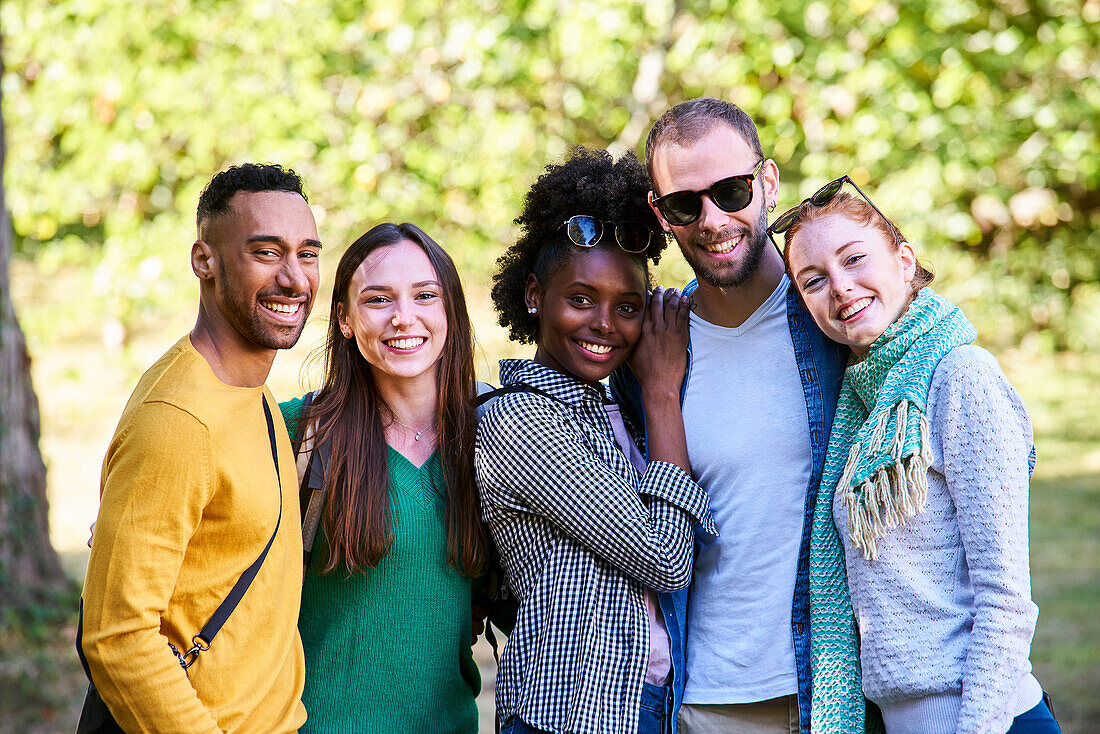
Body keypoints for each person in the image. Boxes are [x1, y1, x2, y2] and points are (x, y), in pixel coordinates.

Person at [777, 180, 1059, 734]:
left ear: (905, 261)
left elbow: (1006, 603)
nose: (840, 287)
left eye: (854, 259)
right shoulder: (860, 408)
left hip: (986, 719)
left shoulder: (961, 378)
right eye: (814, 281)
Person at [611, 97, 848, 733]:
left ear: (767, 181)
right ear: (662, 215)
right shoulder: (648, 349)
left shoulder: (836, 321)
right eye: (687, 204)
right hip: (696, 700)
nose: (713, 220)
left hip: (829, 690)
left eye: (732, 191)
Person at [476, 147, 717, 734]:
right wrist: (663, 389)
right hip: (567, 718)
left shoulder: (617, 414)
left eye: (628, 307)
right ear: (535, 296)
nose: (605, 324)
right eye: (580, 299)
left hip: (651, 707)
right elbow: (665, 559)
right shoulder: (517, 423)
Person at [79, 163, 319, 732]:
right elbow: (117, 636)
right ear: (203, 260)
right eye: (266, 253)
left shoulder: (248, 391)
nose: (294, 279)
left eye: (307, 254)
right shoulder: (177, 421)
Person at [279, 222, 487, 733]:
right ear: (345, 320)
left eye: (424, 295)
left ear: (449, 311)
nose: (403, 317)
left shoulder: (496, 433)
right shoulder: (297, 433)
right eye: (378, 299)